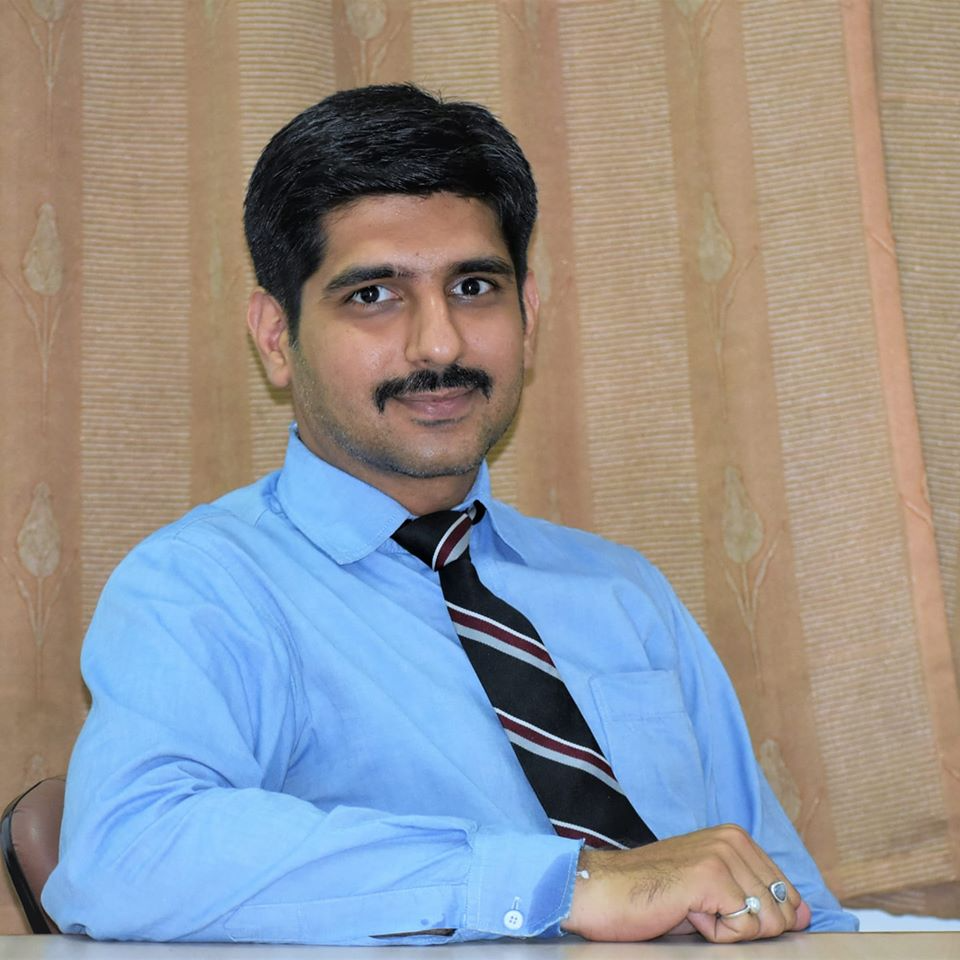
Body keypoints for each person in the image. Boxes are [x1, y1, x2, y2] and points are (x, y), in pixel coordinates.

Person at [43, 84, 856, 945]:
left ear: (528, 312)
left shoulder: (624, 594)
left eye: (473, 286)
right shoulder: (201, 589)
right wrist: (563, 884)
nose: (440, 344)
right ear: (276, 336)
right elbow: (126, 853)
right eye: (373, 295)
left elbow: (789, 904)